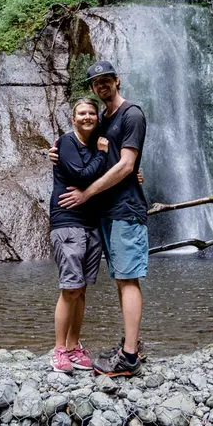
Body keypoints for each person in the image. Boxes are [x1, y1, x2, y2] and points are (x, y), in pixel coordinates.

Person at [57, 59, 148, 377]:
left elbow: (125, 165)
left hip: (125, 209)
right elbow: (84, 149)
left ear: (117, 81)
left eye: (107, 80)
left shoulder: (132, 114)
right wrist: (56, 152)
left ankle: (130, 357)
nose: (102, 85)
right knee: (122, 279)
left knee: (128, 279)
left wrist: (87, 194)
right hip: (107, 213)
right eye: (97, 82)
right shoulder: (104, 119)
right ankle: (131, 345)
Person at [49, 98, 110, 373]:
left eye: (91, 113)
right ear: (73, 119)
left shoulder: (99, 142)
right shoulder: (66, 143)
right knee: (70, 287)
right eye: (82, 113)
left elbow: (109, 177)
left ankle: (74, 347)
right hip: (68, 222)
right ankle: (59, 349)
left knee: (81, 289)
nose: (87, 117)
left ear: (97, 117)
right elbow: (82, 176)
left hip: (91, 223)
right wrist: (100, 155)